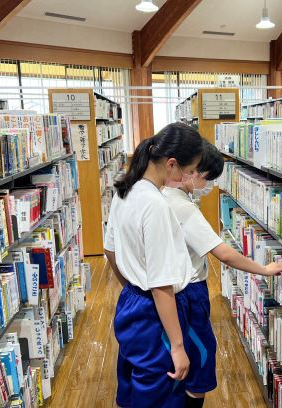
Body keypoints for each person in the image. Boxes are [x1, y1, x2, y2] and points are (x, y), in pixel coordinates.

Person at [162, 140, 282, 407]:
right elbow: (225, 254)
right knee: (202, 359)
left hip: (172, 291)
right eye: (207, 177)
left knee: (186, 359)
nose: (208, 185)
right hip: (189, 292)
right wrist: (264, 269)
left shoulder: (160, 195)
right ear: (192, 171)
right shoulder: (183, 208)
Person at [103, 122, 204, 408]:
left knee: (133, 384)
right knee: (160, 392)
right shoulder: (156, 205)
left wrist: (134, 287)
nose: (190, 179)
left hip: (131, 304)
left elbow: (109, 251)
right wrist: (178, 346)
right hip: (156, 314)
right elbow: (161, 285)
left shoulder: (125, 190)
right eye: (189, 171)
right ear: (171, 165)